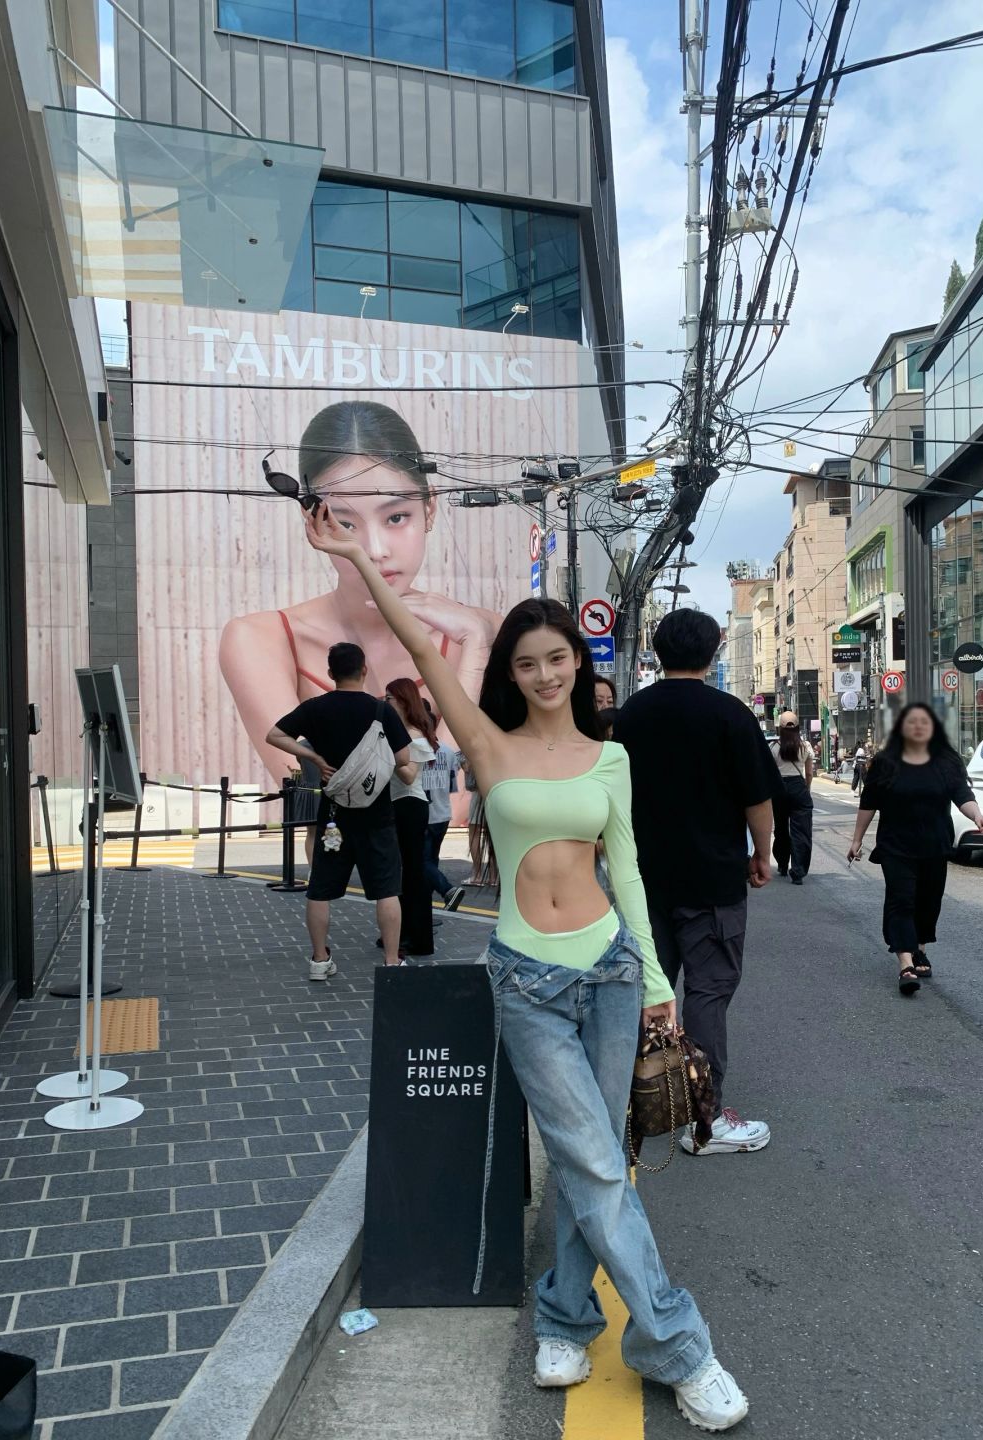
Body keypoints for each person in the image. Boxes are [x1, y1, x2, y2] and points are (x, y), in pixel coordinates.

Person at [304, 510, 751, 1434]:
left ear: (579, 666)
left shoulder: (612, 755)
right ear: (509, 673)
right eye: (526, 663)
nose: (545, 674)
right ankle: (678, 1346)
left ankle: (563, 1313)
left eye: (557, 659)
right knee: (591, 1155)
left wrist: (661, 984)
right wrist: (355, 556)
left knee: (601, 1159)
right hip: (529, 981)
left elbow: (624, 868)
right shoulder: (488, 743)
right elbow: (424, 653)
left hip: (612, 971)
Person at [221, 400, 501, 785]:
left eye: (396, 517)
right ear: (313, 523)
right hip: (341, 846)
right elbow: (314, 789)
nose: (375, 550)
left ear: (429, 509)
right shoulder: (260, 640)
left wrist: (475, 646)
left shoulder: (485, 632)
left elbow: (471, 805)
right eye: (346, 523)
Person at [615, 609, 779, 1158]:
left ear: (658, 651)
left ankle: (636, 1105)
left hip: (645, 879)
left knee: (648, 992)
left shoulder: (633, 713)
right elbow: (757, 796)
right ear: (713, 652)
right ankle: (703, 1123)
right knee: (708, 992)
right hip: (713, 880)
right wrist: (764, 853)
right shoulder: (729, 714)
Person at [267, 642, 413, 975]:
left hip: (333, 815)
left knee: (321, 889)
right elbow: (403, 758)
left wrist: (314, 757)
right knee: (387, 889)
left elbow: (274, 735)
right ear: (364, 670)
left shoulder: (315, 708)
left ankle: (320, 960)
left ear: (330, 673)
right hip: (376, 813)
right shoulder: (381, 711)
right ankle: (392, 961)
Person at [847, 702, 983, 995]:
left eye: (924, 722)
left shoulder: (946, 761)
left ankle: (920, 947)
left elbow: (961, 793)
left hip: (935, 844)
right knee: (901, 900)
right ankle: (905, 963)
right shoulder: (887, 762)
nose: (918, 726)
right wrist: (857, 839)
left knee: (929, 901)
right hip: (896, 846)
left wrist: (976, 815)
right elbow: (869, 802)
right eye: (911, 722)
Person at [384, 678, 438, 957]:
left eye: (390, 698)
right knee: (398, 872)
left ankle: (417, 938)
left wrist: (388, 750)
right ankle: (398, 932)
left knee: (413, 873)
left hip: (410, 805)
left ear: (404, 701)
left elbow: (408, 776)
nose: (386, 703)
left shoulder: (414, 734)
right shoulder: (396, 731)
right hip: (395, 805)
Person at [421, 705, 466, 912]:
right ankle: (425, 907)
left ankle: (447, 890)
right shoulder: (447, 751)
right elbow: (452, 778)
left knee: (421, 861)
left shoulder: (415, 750)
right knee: (431, 860)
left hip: (424, 814)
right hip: (442, 812)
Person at [769, 711, 814, 885]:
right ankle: (798, 871)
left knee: (780, 828)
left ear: (780, 728)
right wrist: (806, 789)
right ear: (797, 727)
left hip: (779, 790)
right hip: (798, 788)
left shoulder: (773, 748)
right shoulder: (805, 746)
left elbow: (769, 773)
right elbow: (809, 773)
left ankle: (781, 863)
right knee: (801, 831)